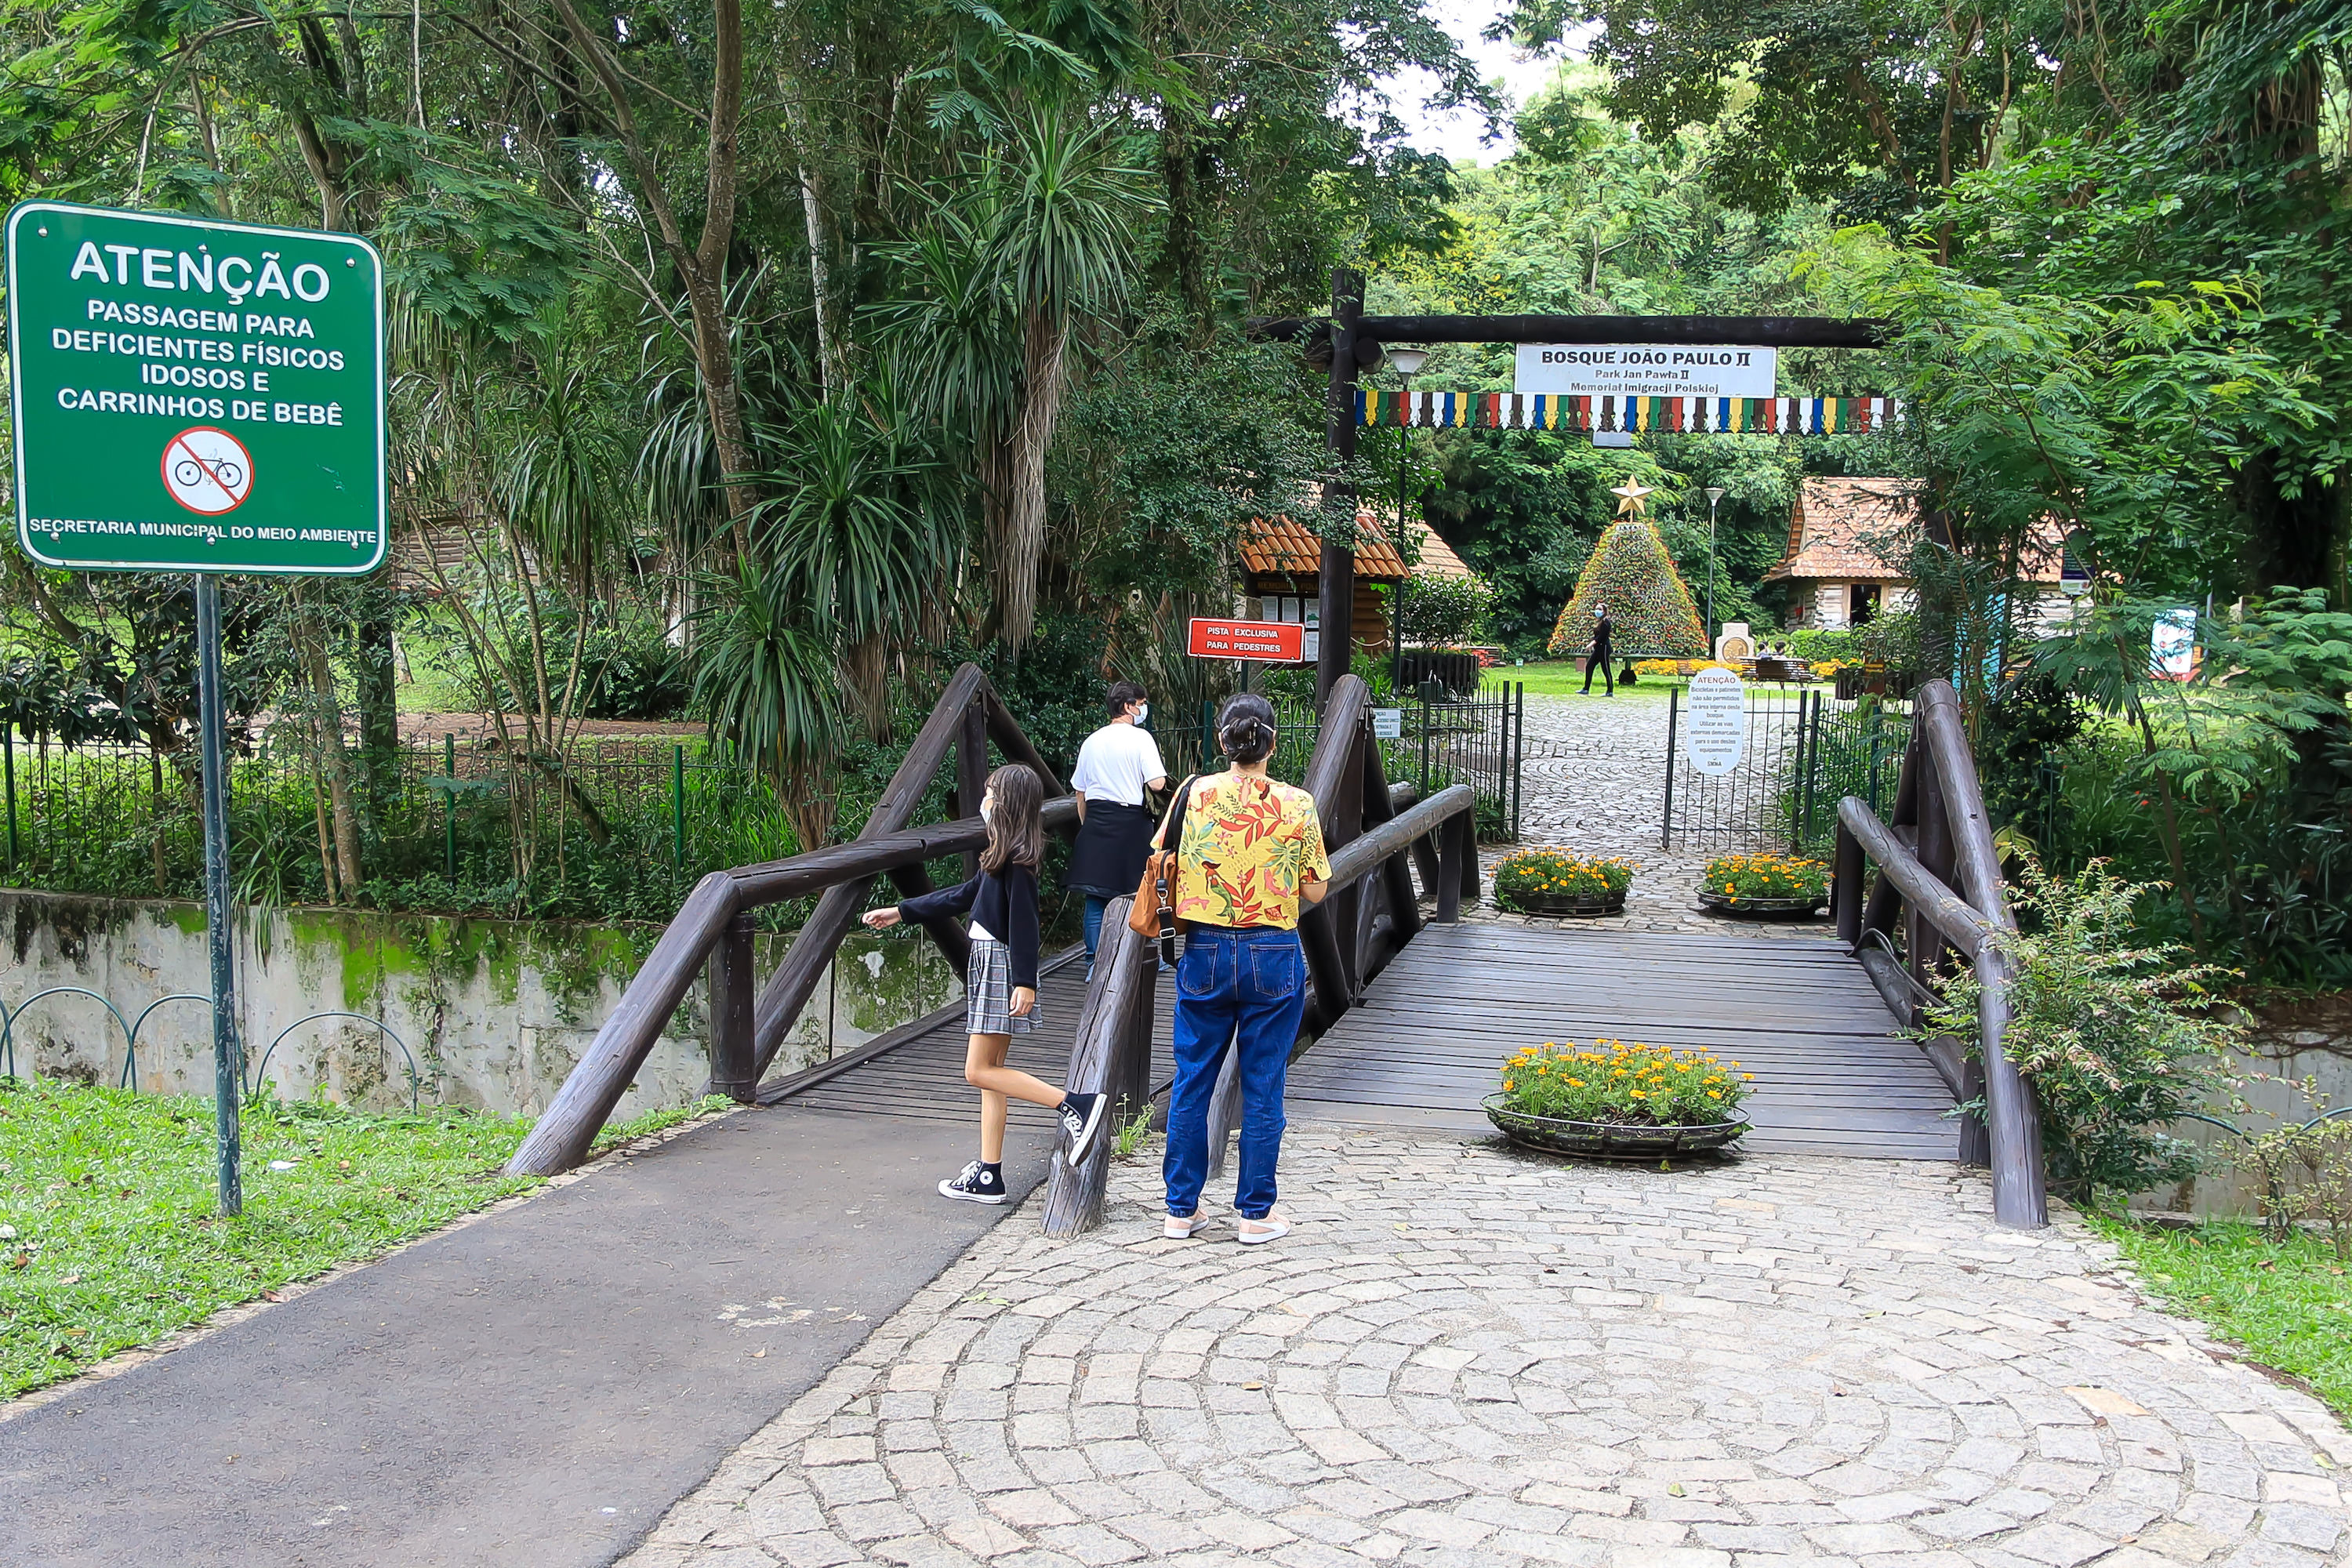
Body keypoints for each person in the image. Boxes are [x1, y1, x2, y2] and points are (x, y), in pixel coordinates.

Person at [862, 763, 1108, 1203]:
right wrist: (901, 911)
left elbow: (1025, 923)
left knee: (977, 1070)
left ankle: (1075, 1105)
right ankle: (989, 1174)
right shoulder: (1001, 852)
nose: (985, 799)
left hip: (999, 962)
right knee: (991, 1075)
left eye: (991, 792)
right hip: (988, 960)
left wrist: (1025, 981)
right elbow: (961, 896)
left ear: (1007, 803)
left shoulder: (1018, 860)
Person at [1157, 693, 1330, 1245]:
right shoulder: (1296, 803)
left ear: (1223, 742)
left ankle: (1180, 1210)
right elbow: (1316, 889)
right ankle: (1256, 1214)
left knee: (1193, 1080)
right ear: (1272, 742)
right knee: (1263, 1086)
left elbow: (1161, 858)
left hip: (1205, 948)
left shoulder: (1192, 793)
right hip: (1273, 953)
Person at [1066, 681, 1167, 964]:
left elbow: (1080, 792)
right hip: (1131, 823)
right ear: (1128, 706)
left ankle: (1093, 962)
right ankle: (1143, 957)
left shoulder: (1092, 741)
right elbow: (1157, 783)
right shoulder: (1141, 739)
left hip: (1097, 821)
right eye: (1142, 703)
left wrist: (1088, 825)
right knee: (1138, 892)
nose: (1143, 708)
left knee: (1096, 899)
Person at [1582, 604, 1616, 695]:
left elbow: (1600, 637)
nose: (1597, 611)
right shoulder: (1600, 622)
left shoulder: (1606, 622)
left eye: (1599, 609)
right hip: (1598, 649)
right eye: (1596, 609)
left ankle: (1610, 691)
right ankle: (1586, 689)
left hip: (1604, 648)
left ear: (1604, 611)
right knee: (1589, 666)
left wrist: (1590, 644)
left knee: (1606, 669)